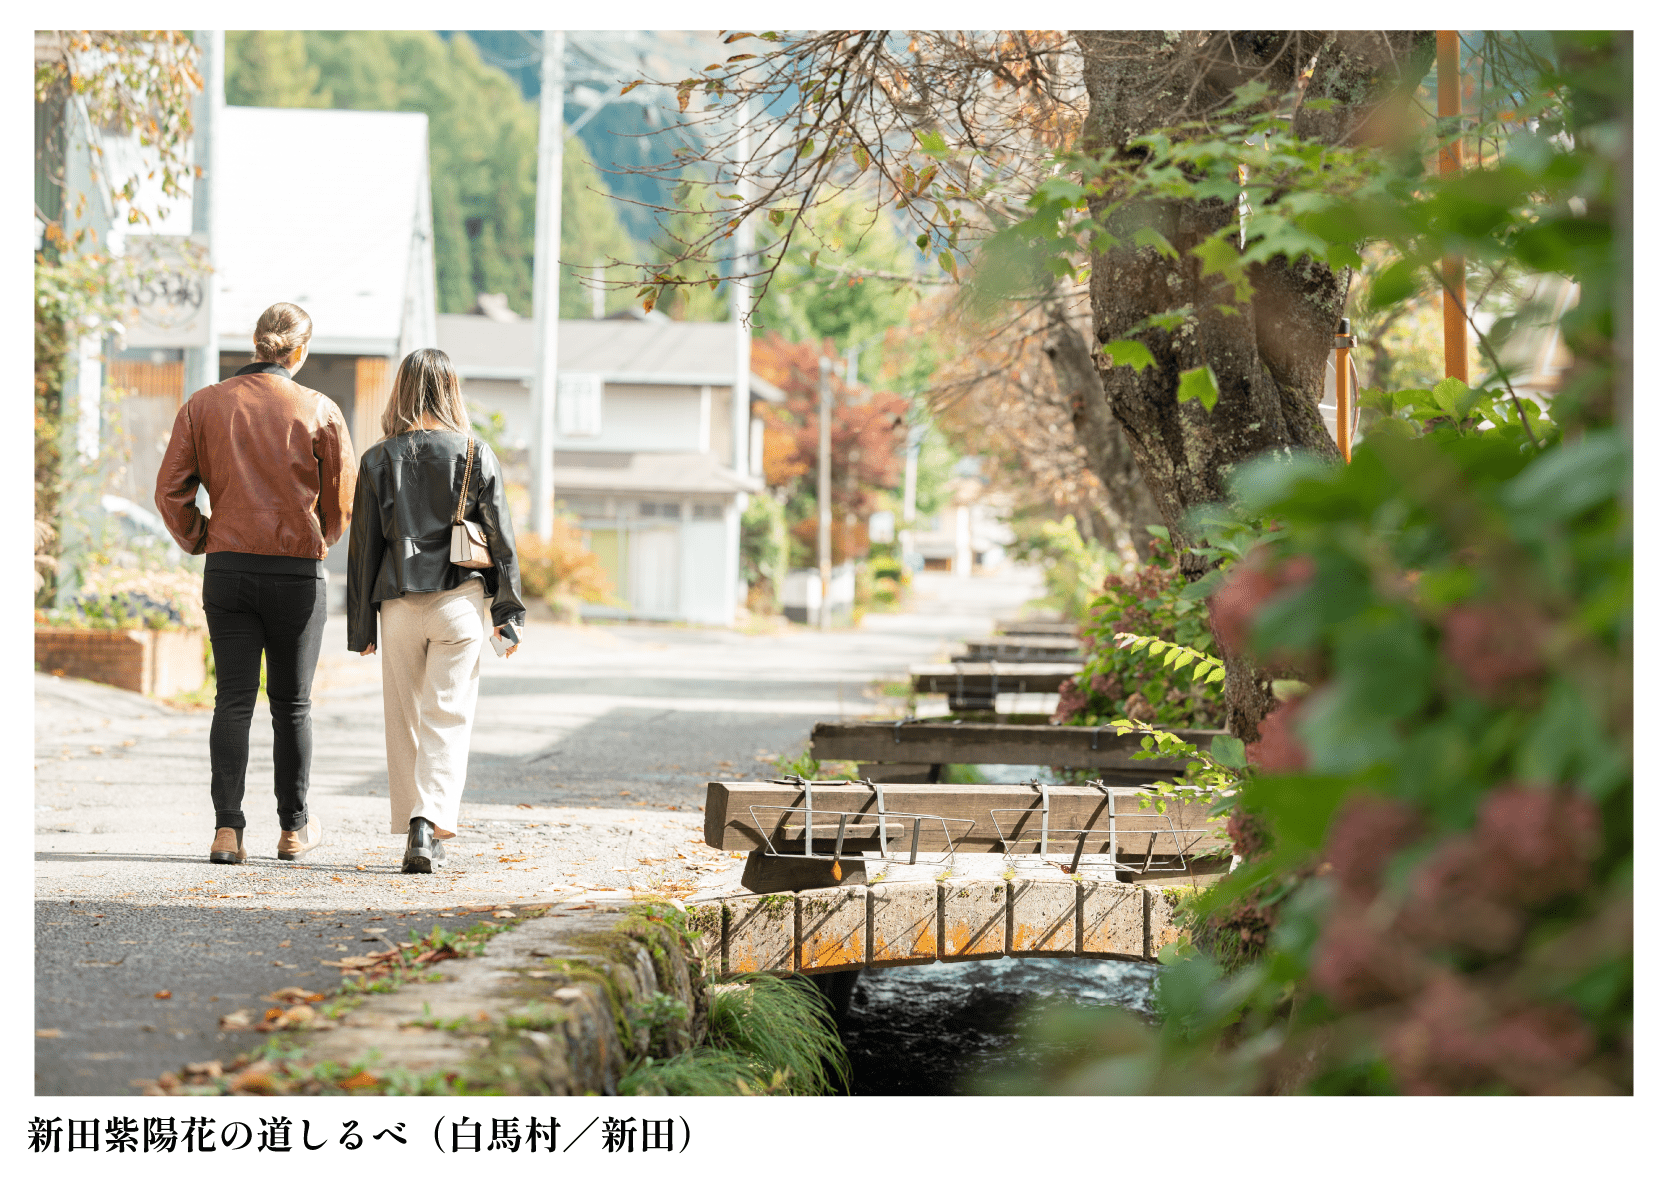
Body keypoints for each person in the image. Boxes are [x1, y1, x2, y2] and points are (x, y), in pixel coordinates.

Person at [155, 301, 353, 864]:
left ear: (257, 343)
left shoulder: (203, 405)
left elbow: (170, 492)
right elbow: (341, 501)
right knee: (292, 705)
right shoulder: (319, 409)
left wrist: (202, 537)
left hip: (229, 565)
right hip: (295, 570)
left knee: (233, 700)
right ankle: (293, 830)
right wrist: (321, 536)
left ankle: (226, 831)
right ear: (301, 349)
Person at [345, 348, 524, 873]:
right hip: (460, 604)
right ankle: (428, 825)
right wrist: (507, 613)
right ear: (450, 390)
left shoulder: (378, 458)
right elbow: (502, 541)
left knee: (403, 721)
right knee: (447, 715)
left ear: (401, 390)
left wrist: (361, 627)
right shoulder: (474, 452)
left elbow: (364, 550)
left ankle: (412, 829)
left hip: (397, 606)